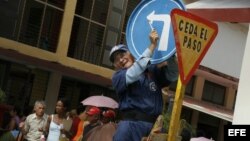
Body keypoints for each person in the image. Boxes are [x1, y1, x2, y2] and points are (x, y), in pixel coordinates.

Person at [109, 30, 179, 141]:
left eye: (122, 55)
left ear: (130, 53)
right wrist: (152, 46)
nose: (121, 60)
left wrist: (170, 54)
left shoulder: (150, 71)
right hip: (131, 128)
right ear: (115, 66)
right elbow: (134, 71)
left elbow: (173, 75)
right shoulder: (118, 77)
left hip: (154, 129)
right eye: (116, 60)